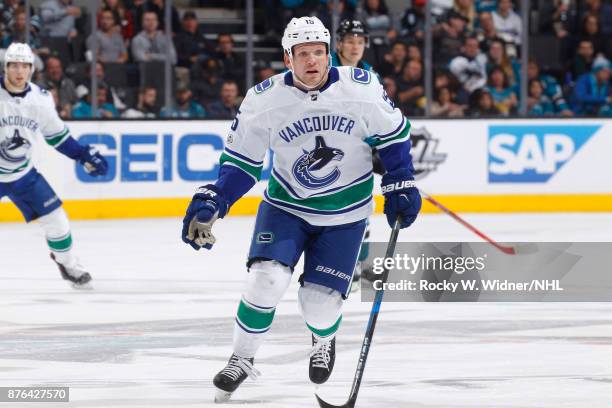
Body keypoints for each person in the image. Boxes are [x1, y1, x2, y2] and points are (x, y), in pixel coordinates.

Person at [180, 16, 421, 402]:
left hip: (346, 216)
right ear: (287, 58)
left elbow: (394, 137)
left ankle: (323, 338)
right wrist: (216, 200)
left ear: (329, 54)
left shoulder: (361, 89)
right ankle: (242, 358)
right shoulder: (263, 98)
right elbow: (243, 162)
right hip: (286, 206)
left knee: (320, 309)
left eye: (319, 52)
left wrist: (401, 179)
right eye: (303, 53)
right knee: (265, 280)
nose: (313, 61)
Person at [0, 43, 108, 287]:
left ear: (31, 69)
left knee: (57, 220)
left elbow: (57, 137)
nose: (19, 71)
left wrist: (83, 154)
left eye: (25, 66)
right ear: (6, 67)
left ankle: (68, 265)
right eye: (14, 65)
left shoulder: (40, 100)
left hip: (23, 175)